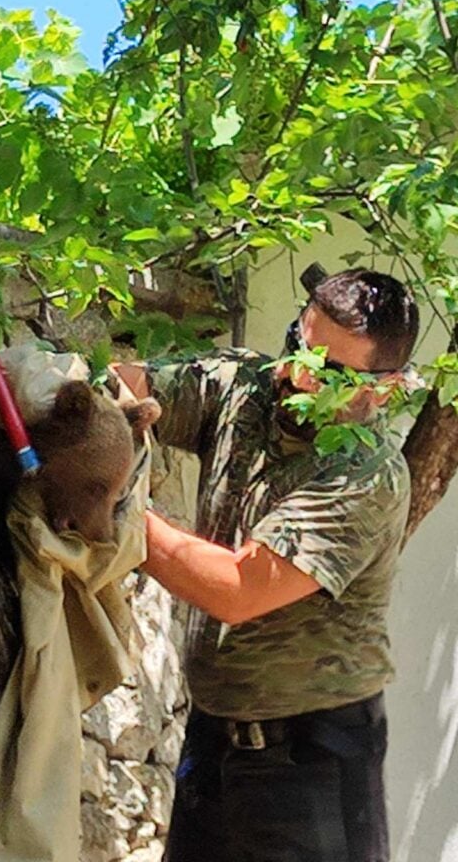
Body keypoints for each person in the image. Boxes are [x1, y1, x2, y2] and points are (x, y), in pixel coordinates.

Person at [114, 269, 419, 862]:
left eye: (330, 374)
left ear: (384, 388)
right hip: (213, 736)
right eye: (298, 344)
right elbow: (128, 390)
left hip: (310, 761)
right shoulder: (245, 386)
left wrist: (113, 509)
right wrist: (82, 402)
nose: (298, 374)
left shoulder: (365, 473)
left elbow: (236, 589)